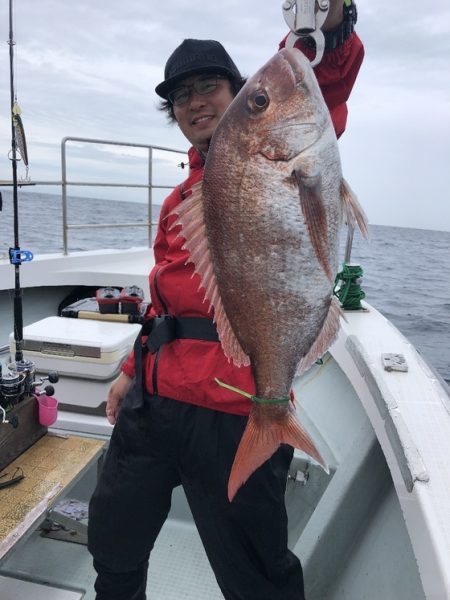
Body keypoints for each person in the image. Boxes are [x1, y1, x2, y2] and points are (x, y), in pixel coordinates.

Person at [87, 3, 364, 599]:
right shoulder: (181, 200)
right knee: (112, 541)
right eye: (181, 96)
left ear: (237, 94)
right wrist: (130, 373)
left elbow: (320, 75)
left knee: (255, 575)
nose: (195, 103)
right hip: (153, 402)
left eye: (209, 86)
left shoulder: (288, 149)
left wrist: (330, 22)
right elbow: (165, 302)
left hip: (236, 406)